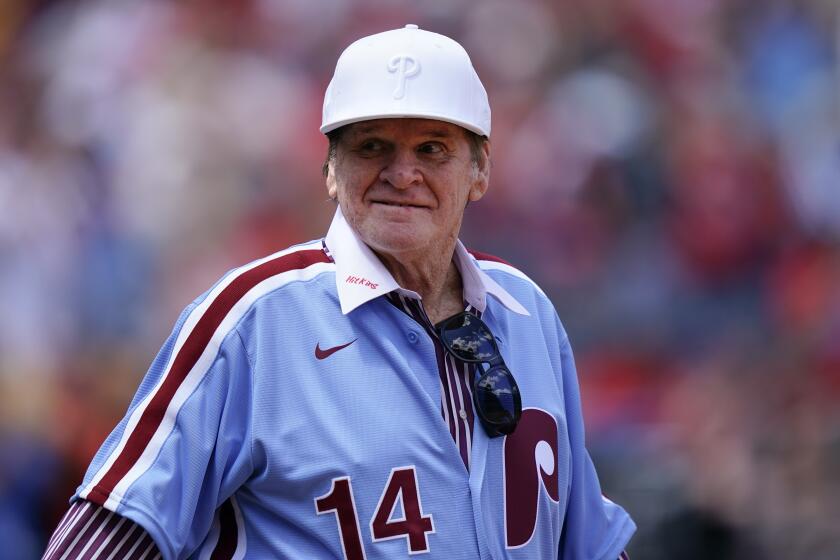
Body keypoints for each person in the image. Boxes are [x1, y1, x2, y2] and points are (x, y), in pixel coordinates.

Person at [42, 25, 635, 559]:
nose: (402, 173)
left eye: (432, 148)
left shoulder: (527, 310)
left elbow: (587, 544)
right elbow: (107, 536)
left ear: (479, 170)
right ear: (330, 169)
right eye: (372, 146)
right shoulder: (255, 319)